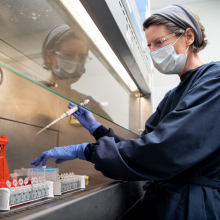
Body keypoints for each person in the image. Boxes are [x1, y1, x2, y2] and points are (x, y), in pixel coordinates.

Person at [31, 4, 220, 219]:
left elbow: (163, 150)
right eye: (149, 46)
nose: (153, 52)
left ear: (188, 36)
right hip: (166, 201)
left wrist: (87, 151)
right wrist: (98, 130)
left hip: (193, 206)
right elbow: (144, 145)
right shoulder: (173, 95)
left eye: (160, 42)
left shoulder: (214, 81)